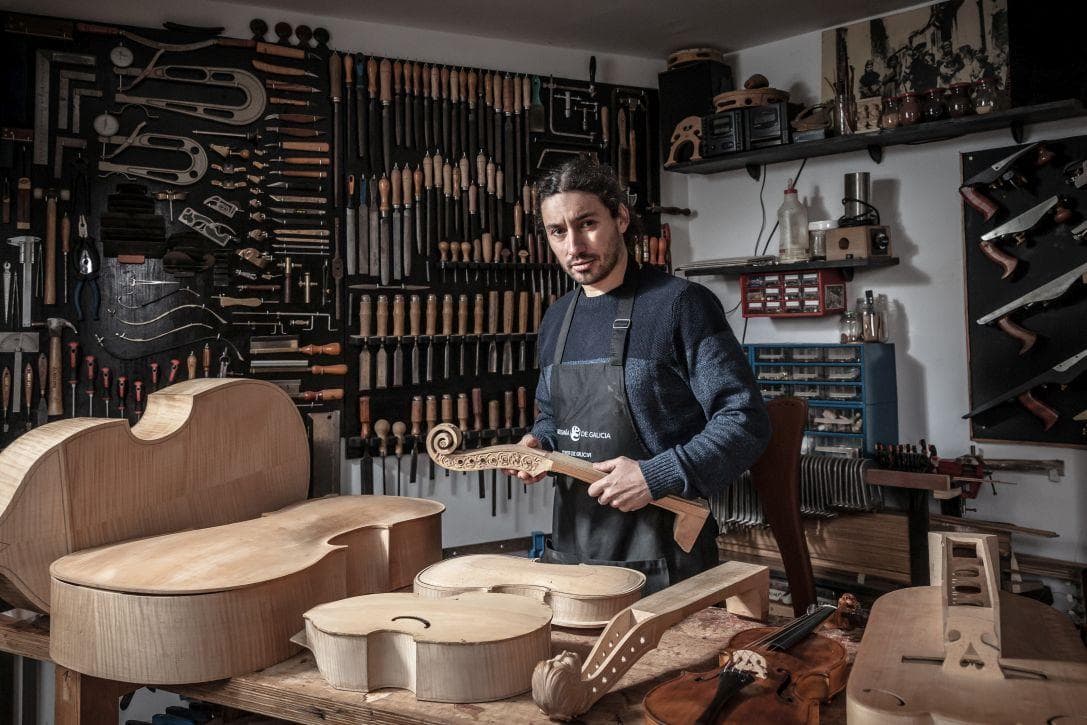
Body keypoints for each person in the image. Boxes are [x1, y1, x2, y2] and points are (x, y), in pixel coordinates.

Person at [509, 158, 770, 593]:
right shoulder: (557, 318)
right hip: (573, 556)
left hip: (666, 561)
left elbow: (745, 422)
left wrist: (657, 475)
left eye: (587, 223)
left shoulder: (680, 305)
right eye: (558, 231)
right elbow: (555, 419)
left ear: (621, 217)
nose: (574, 245)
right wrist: (541, 444)